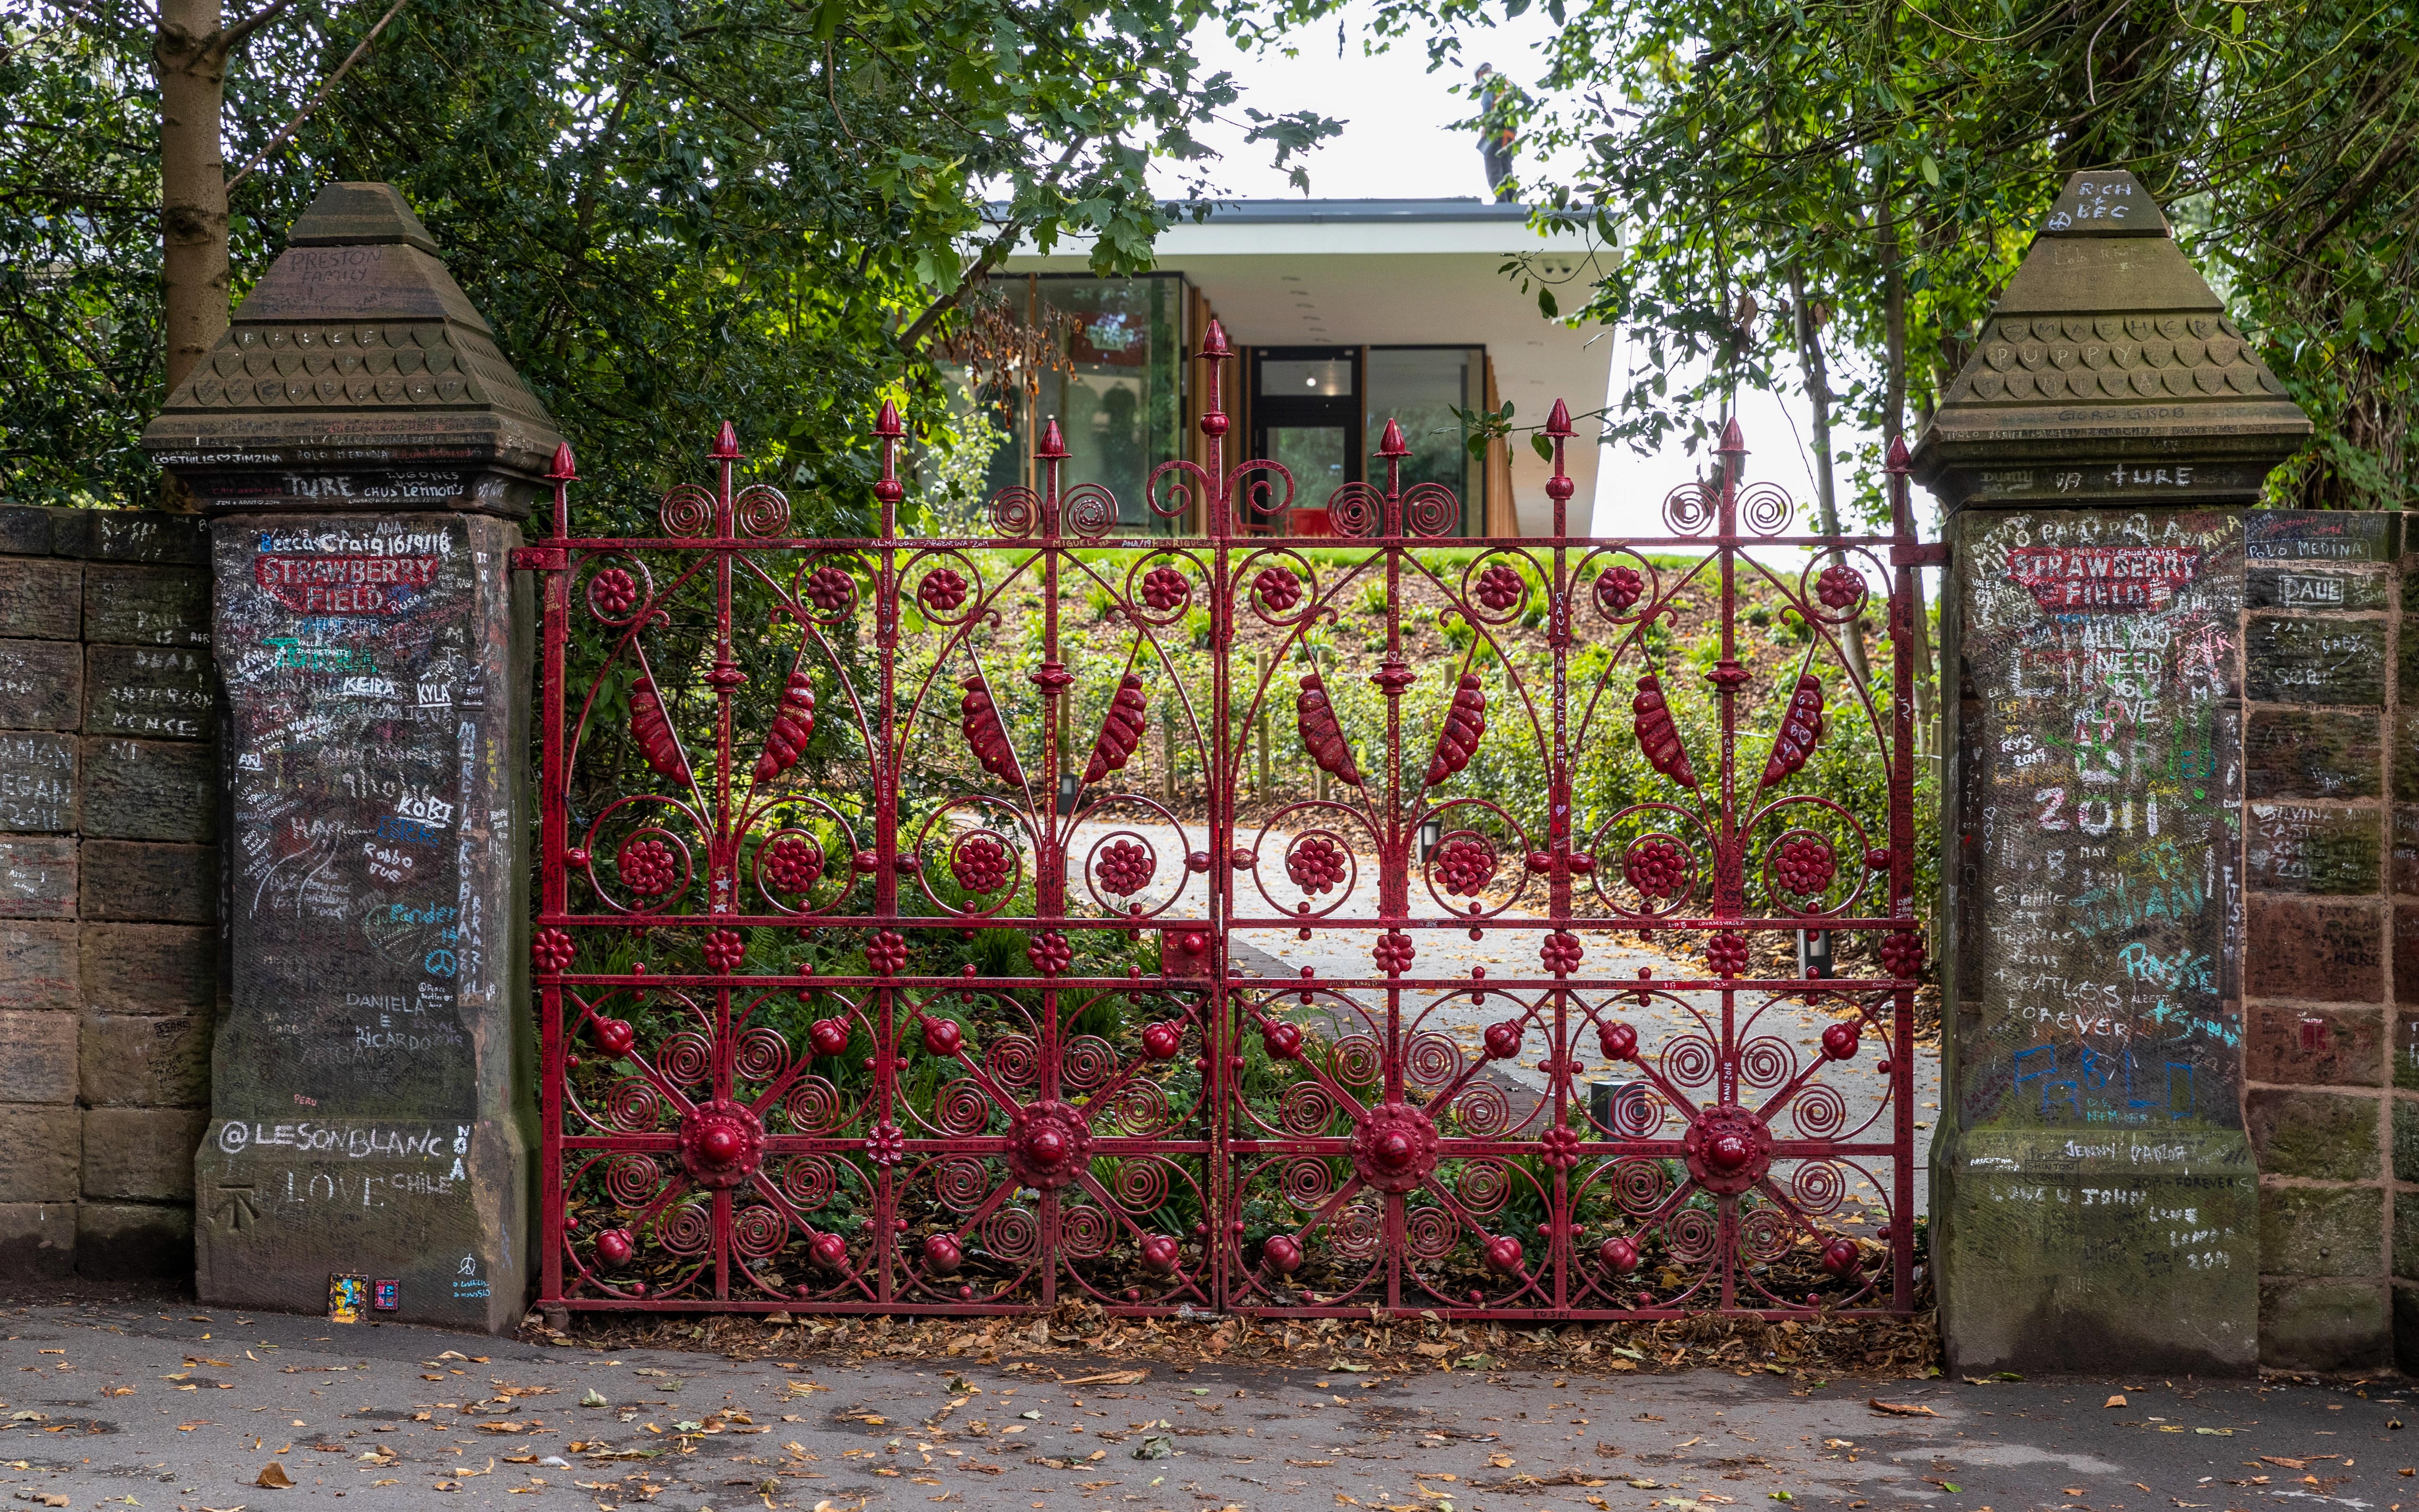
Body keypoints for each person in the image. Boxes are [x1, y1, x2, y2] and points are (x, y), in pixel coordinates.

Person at [1475, 64, 1517, 201]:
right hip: (1510, 134)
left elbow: (1487, 103)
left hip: (1495, 131)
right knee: (1506, 169)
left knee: (1493, 166)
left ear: (1480, 75)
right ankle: (1512, 203)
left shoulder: (1486, 80)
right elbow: (1527, 100)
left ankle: (1502, 202)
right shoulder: (1506, 83)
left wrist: (1487, 123)